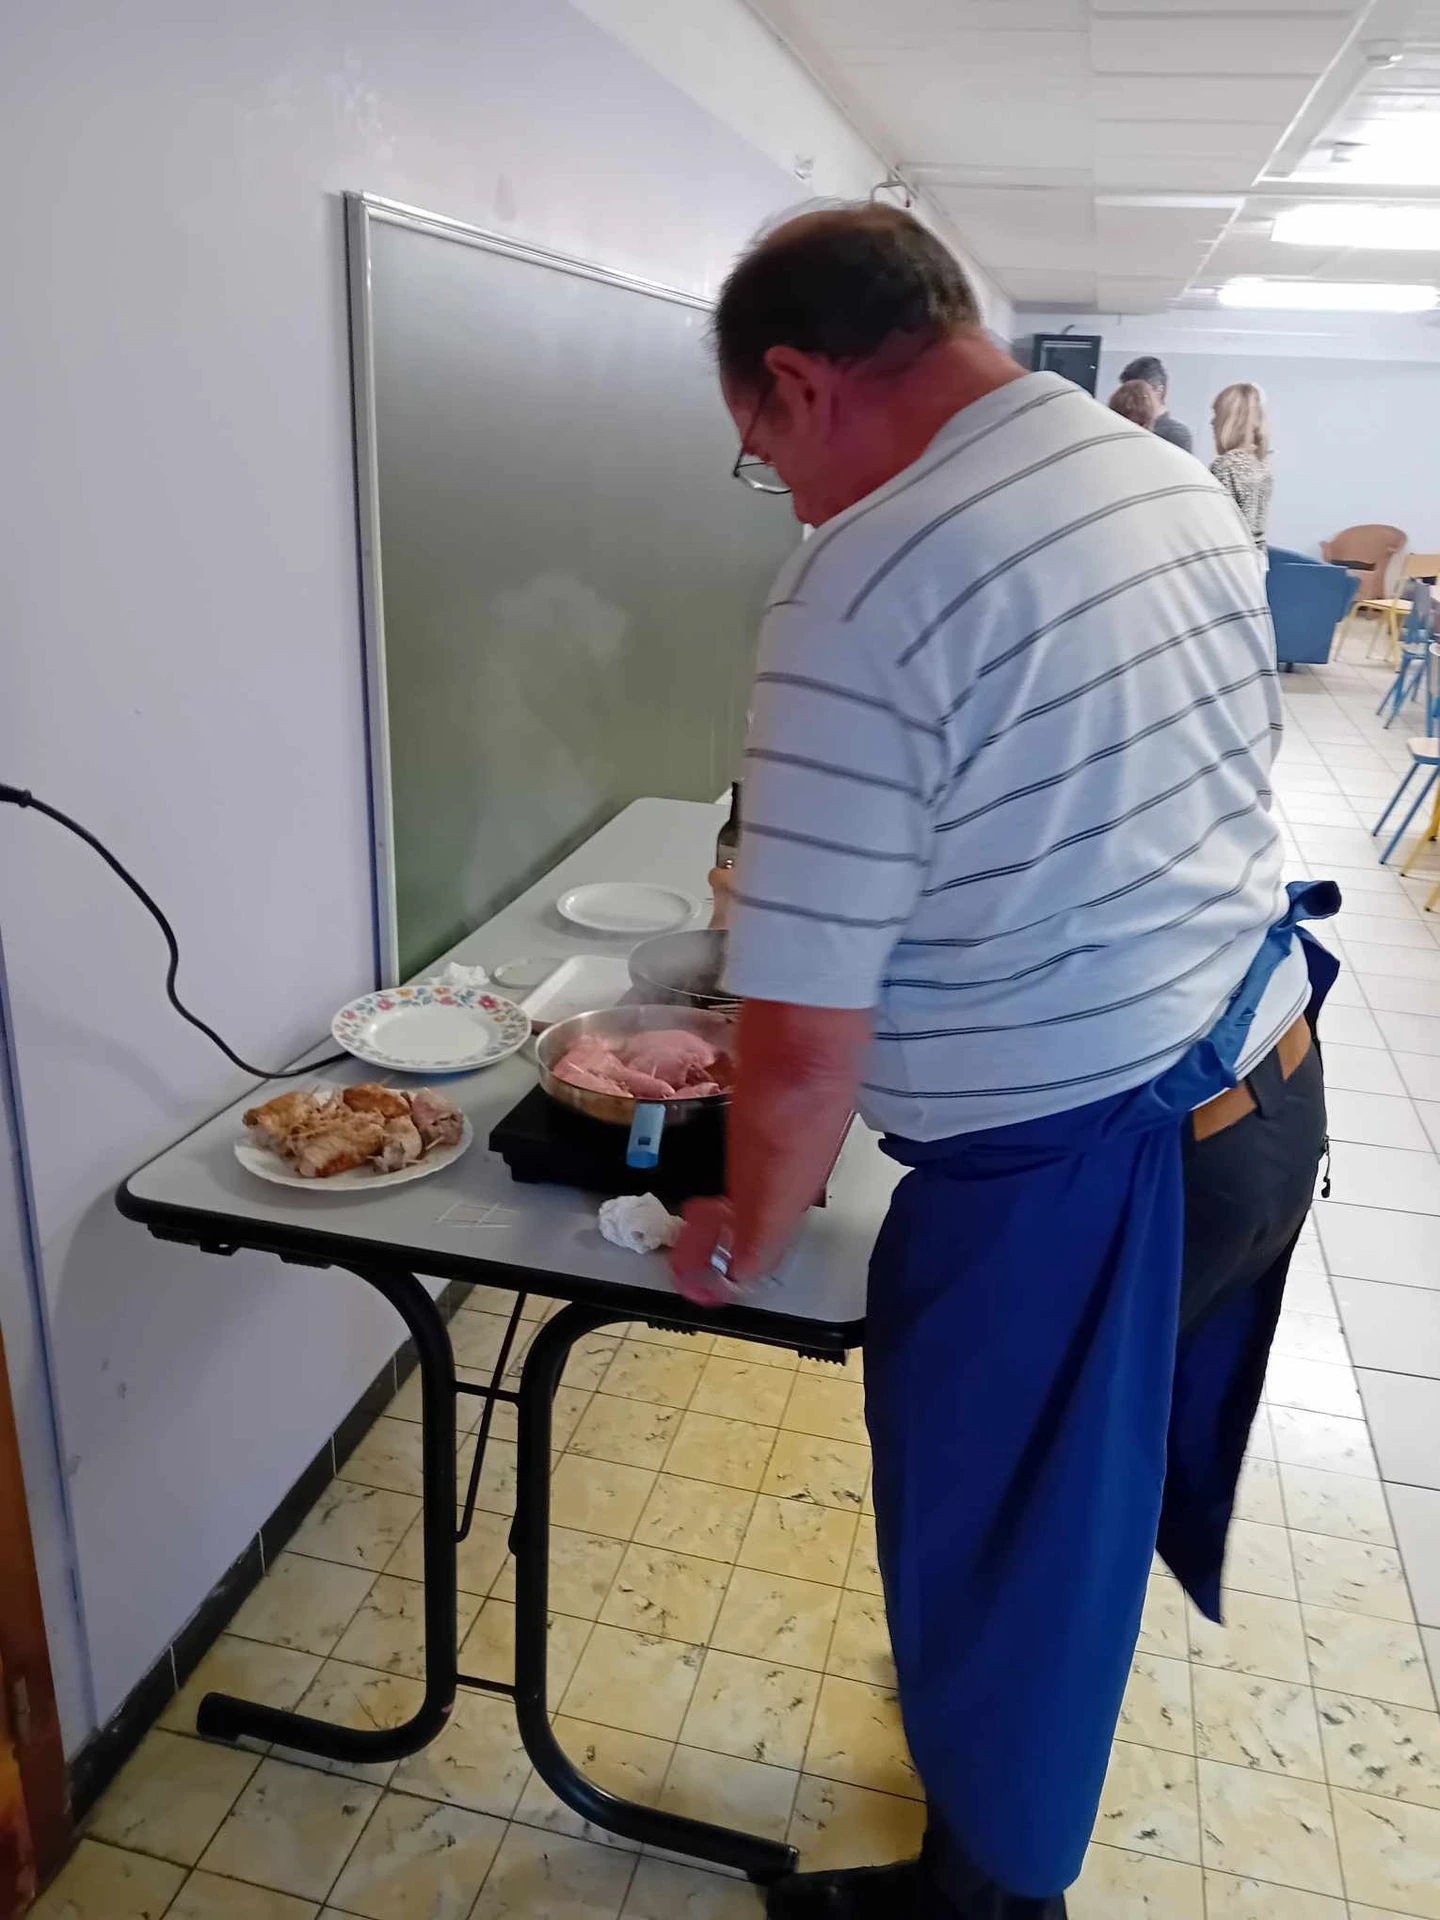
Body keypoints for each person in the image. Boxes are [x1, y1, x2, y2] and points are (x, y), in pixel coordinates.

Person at [672, 204, 1333, 1920]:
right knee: (1056, 1529)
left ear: (801, 380)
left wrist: (745, 1225)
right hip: (1260, 1080)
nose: (788, 498)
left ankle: (983, 1906)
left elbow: (800, 1043)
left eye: (765, 453)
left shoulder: (864, 579)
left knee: (1004, 1556)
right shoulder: (1155, 475)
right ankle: (985, 1819)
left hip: (1084, 1175)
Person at [1210, 381, 1274, 549]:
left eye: (1217, 415)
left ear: (1229, 421)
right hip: (1256, 555)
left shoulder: (1225, 467)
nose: (1212, 422)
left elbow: (1216, 524)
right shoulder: (1261, 465)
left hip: (1229, 553)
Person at [1119, 352, 1193, 451]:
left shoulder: (1176, 434)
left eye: (1137, 391)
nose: (1129, 398)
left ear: (1159, 390)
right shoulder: (1122, 424)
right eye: (1125, 391)